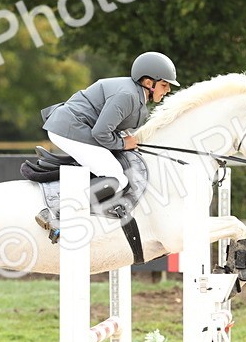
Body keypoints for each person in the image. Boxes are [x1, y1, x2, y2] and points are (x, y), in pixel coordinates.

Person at [36, 51, 179, 230]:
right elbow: (101, 133)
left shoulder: (135, 95)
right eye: (165, 85)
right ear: (149, 83)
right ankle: (55, 212)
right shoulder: (128, 95)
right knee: (116, 177)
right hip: (69, 128)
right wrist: (122, 144)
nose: (168, 90)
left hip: (74, 127)